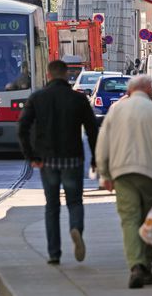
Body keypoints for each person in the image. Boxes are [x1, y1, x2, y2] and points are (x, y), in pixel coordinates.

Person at [95, 74, 152, 289]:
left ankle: (136, 266)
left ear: (129, 92)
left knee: (129, 219)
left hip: (122, 174)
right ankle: (147, 267)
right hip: (151, 174)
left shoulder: (115, 111)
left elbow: (102, 144)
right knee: (149, 220)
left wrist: (104, 175)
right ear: (149, 91)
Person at [17, 59, 99, 265]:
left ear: (49, 75)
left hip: (48, 161)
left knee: (52, 206)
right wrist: (96, 159)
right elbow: (92, 131)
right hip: (73, 159)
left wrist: (31, 156)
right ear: (66, 75)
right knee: (75, 201)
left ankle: (54, 253)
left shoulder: (37, 98)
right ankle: (75, 228)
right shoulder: (78, 100)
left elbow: (22, 128)